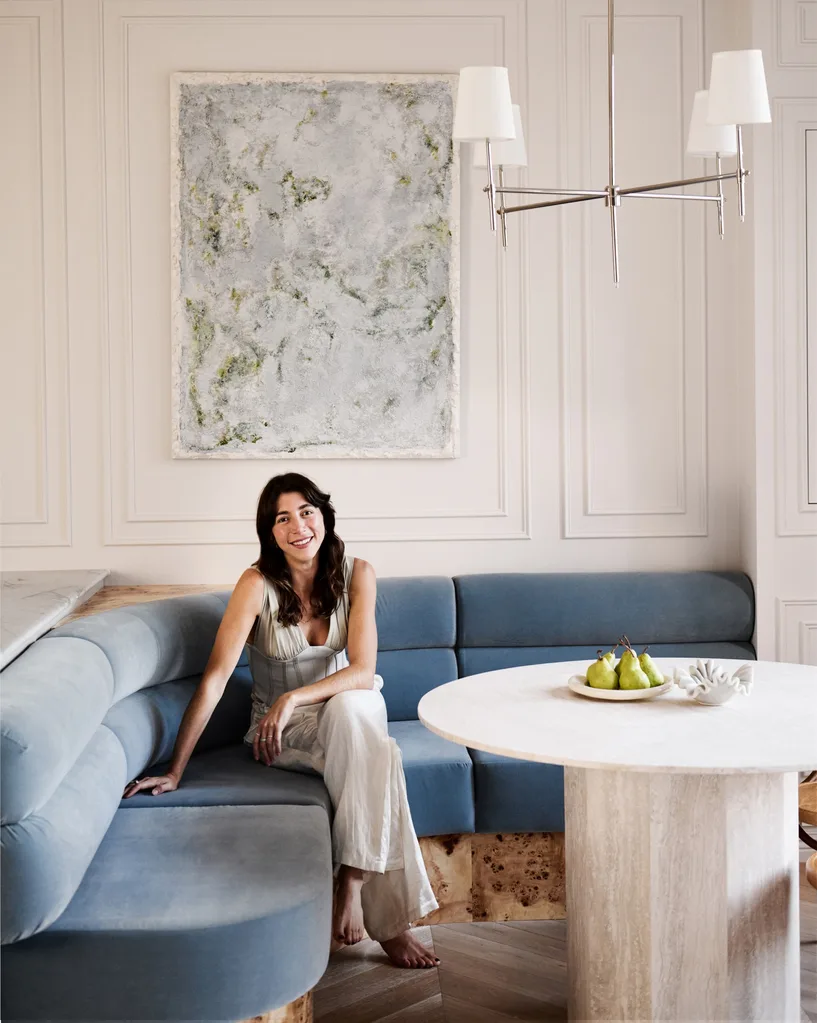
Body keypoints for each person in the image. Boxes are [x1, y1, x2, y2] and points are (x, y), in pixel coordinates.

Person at [123, 472, 439, 969]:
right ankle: (393, 928)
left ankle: (350, 882)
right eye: (282, 518)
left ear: (325, 517)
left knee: (357, 715)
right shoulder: (256, 585)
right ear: (269, 533)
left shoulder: (359, 574)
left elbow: (362, 672)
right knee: (380, 754)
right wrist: (176, 769)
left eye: (307, 511)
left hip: (347, 705)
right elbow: (215, 679)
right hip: (282, 731)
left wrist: (293, 695)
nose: (298, 526)